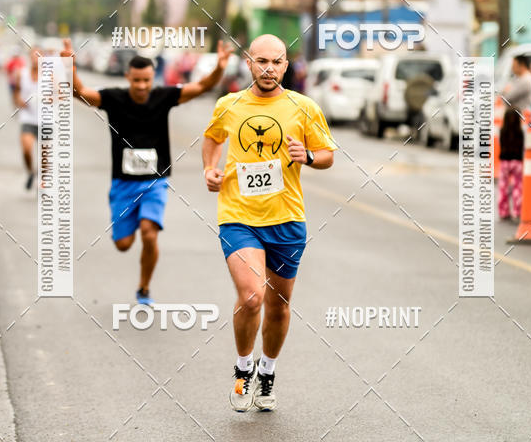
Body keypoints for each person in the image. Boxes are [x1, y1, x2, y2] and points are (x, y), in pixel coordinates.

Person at [202, 34, 336, 413]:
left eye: (276, 62)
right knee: (251, 296)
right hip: (238, 216)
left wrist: (307, 155)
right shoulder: (229, 105)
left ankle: (268, 372)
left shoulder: (303, 106)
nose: (268, 69)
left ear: (285, 65)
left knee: (278, 304)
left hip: (287, 218)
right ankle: (243, 369)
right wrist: (210, 169)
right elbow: (211, 140)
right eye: (261, 61)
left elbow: (327, 155)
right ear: (248, 63)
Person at [61, 37, 234, 305]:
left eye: (146, 80)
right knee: (123, 244)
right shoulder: (114, 98)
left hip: (155, 182)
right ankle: (124, 233)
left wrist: (220, 66)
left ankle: (143, 288)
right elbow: (80, 92)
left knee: (149, 232)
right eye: (136, 80)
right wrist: (68, 67)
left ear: (153, 78)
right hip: (123, 183)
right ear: (128, 77)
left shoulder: (163, 97)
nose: (142, 86)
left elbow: (202, 86)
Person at [12, 48, 41, 190]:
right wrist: (18, 100)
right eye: (33, 56)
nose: (36, 59)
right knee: (26, 148)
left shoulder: (50, 76)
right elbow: (16, 91)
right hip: (28, 117)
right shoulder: (21, 74)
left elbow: (60, 94)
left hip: (46, 119)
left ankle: (43, 183)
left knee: (46, 156)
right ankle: (30, 171)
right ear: (30, 57)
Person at [498, 108, 524, 221]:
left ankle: (504, 211)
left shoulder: (502, 131)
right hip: (517, 162)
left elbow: (501, 144)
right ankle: (517, 211)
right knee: (517, 187)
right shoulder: (520, 132)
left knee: (503, 187)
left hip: (504, 161)